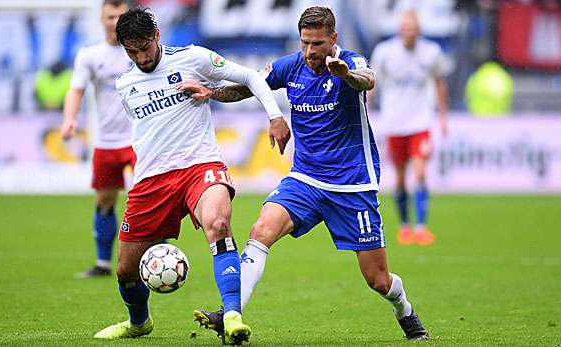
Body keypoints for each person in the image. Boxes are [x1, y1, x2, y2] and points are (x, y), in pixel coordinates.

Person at [180, 6, 429, 342]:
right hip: (305, 180)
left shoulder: (350, 62)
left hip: (352, 185)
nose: (311, 52)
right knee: (260, 230)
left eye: (318, 44)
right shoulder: (292, 65)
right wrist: (213, 94)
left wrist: (343, 75)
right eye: (305, 44)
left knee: (378, 280)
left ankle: (405, 310)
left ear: (334, 39)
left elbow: (367, 79)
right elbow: (250, 85)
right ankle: (232, 313)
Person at [92, 8, 291, 344]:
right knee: (126, 270)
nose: (141, 57)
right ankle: (138, 322)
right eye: (131, 51)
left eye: (144, 47)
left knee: (218, 225)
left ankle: (231, 316)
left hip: (200, 166)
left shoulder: (193, 58)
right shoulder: (125, 83)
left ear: (157, 36)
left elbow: (251, 77)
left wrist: (274, 115)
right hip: (151, 180)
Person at [61, 0, 135, 277]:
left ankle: (155, 256)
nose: (116, 21)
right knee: (105, 199)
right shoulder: (90, 55)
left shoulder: (140, 51)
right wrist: (69, 119)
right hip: (105, 141)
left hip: (140, 140)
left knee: (150, 198)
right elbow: (76, 90)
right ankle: (104, 262)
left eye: (121, 16)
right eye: (110, 16)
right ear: (101, 19)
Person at [368, 10, 449, 246]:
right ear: (400, 30)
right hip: (394, 122)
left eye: (413, 28)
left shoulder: (431, 52)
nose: (409, 32)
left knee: (421, 173)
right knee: (401, 179)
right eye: (405, 28)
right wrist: (367, 111)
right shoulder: (384, 52)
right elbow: (371, 83)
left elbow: (439, 83)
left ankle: (422, 227)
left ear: (419, 30)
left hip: (420, 122)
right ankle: (405, 226)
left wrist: (443, 117)